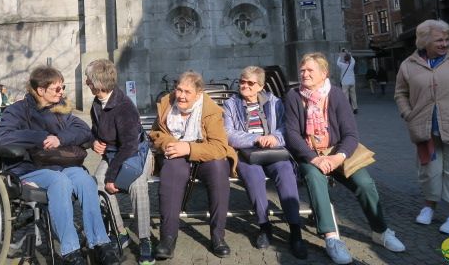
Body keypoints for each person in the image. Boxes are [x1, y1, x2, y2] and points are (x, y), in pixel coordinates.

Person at [284, 53, 405, 264]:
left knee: (365, 183)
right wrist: (313, 158)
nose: (304, 74)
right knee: (315, 179)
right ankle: (331, 237)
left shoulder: (337, 95)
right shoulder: (294, 96)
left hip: (338, 152)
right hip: (309, 154)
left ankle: (380, 231)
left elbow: (351, 134)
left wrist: (338, 157)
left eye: (310, 70)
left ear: (324, 73)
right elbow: (292, 134)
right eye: (302, 70)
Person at [0, 66, 120, 265]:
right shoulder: (17, 111)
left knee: (85, 180)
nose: (62, 93)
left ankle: (101, 243)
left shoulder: (60, 109)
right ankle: (71, 251)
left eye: (63, 88)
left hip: (59, 164)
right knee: (59, 182)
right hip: (28, 168)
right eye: (57, 89)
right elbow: (2, 136)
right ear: (41, 90)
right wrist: (39, 137)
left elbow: (83, 131)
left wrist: (60, 138)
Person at [394, 19, 449, 235]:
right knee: (429, 171)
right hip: (424, 129)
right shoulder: (408, 65)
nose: (445, 43)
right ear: (424, 41)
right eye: (439, 39)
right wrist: (407, 114)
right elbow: (400, 93)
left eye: (447, 39)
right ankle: (429, 207)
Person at [149, 71, 237, 259]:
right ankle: (168, 238)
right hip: (174, 154)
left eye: (187, 92)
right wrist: (169, 144)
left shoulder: (210, 110)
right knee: (173, 168)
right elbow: (155, 134)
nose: (181, 95)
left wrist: (188, 148)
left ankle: (218, 236)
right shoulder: (167, 103)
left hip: (202, 153)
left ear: (198, 94)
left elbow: (220, 147)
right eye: (179, 89)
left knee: (218, 167)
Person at [223, 66, 307, 259]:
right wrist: (255, 139)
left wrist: (275, 138)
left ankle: (295, 231)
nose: (244, 86)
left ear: (260, 86)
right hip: (246, 152)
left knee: (285, 171)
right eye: (242, 81)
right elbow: (228, 133)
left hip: (273, 150)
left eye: (250, 83)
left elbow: (287, 127)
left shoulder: (275, 102)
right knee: (254, 176)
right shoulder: (231, 104)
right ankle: (264, 226)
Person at [85, 59, 155, 265]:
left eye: (88, 80)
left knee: (137, 185)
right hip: (114, 154)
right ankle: (120, 232)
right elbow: (95, 132)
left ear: (97, 84)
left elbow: (130, 146)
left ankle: (144, 239)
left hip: (136, 154)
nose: (86, 82)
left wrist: (112, 177)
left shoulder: (124, 107)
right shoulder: (97, 104)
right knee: (97, 184)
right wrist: (93, 142)